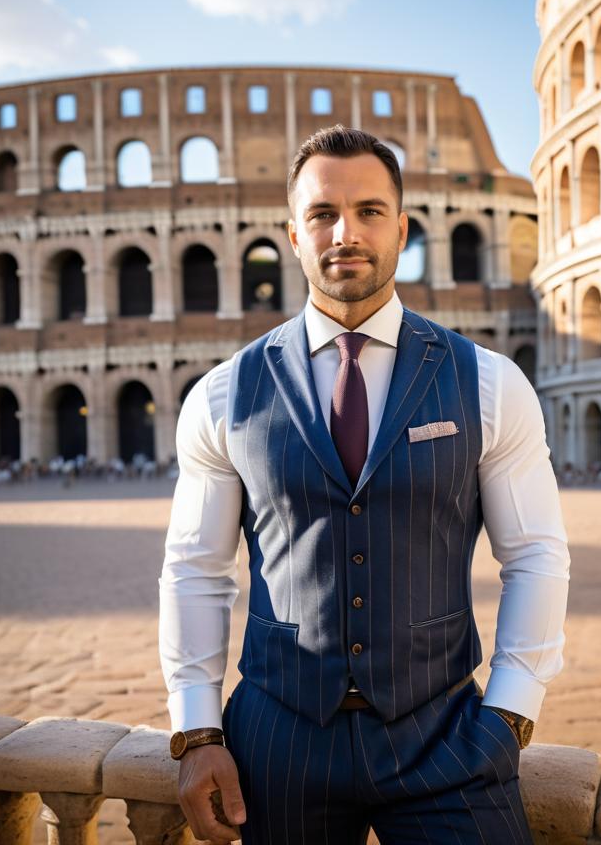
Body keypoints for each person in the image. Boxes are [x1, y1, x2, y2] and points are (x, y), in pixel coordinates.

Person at [160, 126, 570, 844]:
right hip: (277, 742)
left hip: (444, 736)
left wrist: (509, 714)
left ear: (403, 228)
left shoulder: (488, 383)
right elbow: (195, 569)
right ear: (293, 234)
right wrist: (197, 730)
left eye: (370, 211)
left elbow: (535, 554)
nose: (345, 233)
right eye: (322, 214)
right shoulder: (223, 395)